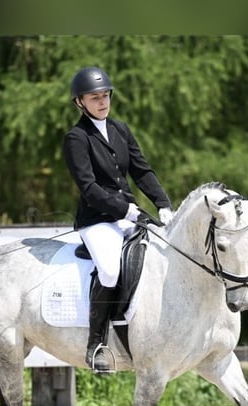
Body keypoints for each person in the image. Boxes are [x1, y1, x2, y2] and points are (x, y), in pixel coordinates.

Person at [63, 66, 173, 373]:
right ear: (79, 103)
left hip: (130, 214)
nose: (102, 102)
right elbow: (89, 188)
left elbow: (141, 170)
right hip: (97, 220)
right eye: (94, 97)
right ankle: (96, 344)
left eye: (106, 95)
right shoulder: (76, 138)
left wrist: (163, 204)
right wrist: (124, 210)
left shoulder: (120, 129)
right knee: (110, 271)